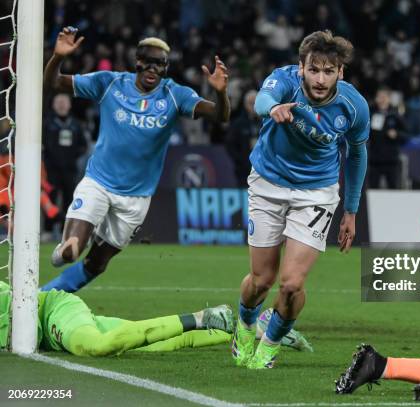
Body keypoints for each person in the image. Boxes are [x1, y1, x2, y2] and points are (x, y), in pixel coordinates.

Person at [40, 27, 230, 292]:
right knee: (74, 248)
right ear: (137, 62)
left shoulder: (175, 95)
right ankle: (65, 252)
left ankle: (44, 295)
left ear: (166, 68)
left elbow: (220, 116)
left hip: (136, 199)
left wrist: (220, 93)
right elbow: (53, 83)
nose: (153, 69)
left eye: (160, 64)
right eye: (148, 62)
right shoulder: (109, 83)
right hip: (98, 183)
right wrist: (58, 56)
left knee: (97, 264)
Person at [232, 30, 369, 369]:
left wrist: (350, 211)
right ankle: (246, 324)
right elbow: (261, 102)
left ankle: (271, 342)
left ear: (341, 72)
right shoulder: (283, 81)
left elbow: (356, 155)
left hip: (316, 193)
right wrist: (274, 107)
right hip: (268, 183)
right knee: (260, 281)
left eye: (328, 71)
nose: (320, 79)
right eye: (313, 70)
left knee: (292, 283)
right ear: (301, 68)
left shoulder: (354, 107)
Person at [0, 282, 312, 355]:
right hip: (43, 327)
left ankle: (202, 316)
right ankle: (261, 328)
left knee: (94, 347)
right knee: (144, 346)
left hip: (50, 310)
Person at [43, 93, 88, 233]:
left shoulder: (76, 124)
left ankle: (65, 230)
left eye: (64, 102)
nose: (62, 105)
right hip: (51, 169)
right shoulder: (46, 123)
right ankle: (48, 230)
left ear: (69, 105)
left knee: (70, 199)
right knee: (50, 199)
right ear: (53, 105)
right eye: (58, 102)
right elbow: (41, 144)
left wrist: (73, 156)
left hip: (70, 168)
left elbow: (83, 145)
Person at [368, 88, 407, 189]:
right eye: (379, 97)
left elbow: (406, 135)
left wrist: (397, 134)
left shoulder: (396, 115)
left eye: (384, 97)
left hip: (391, 160)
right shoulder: (370, 113)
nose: (381, 100)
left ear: (389, 99)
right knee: (372, 190)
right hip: (374, 160)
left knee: (393, 190)